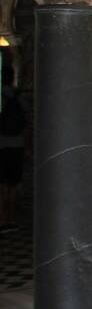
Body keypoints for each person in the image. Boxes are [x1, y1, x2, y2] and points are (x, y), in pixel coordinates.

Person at [0, 69, 27, 233]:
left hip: (1, 145)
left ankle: (1, 220)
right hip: (16, 145)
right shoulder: (19, 97)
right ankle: (8, 220)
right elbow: (26, 122)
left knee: (2, 185)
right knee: (12, 185)